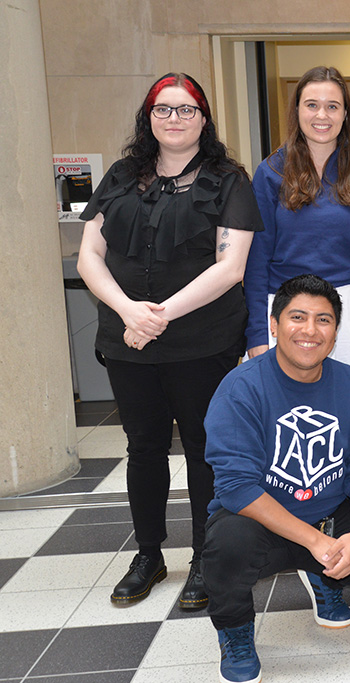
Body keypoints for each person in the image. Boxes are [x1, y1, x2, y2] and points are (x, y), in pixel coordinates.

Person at [76, 72, 262, 609]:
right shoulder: (119, 175)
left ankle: (206, 556)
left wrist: (160, 315)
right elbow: (91, 254)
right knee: (144, 448)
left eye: (185, 110)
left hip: (202, 340)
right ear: (148, 117)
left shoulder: (228, 179)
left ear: (203, 118)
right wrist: (129, 311)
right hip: (126, 338)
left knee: (206, 451)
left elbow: (231, 267)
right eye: (163, 109)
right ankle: (149, 554)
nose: (174, 119)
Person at [203, 274, 350, 683]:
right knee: (225, 550)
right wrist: (314, 541)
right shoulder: (241, 388)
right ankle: (235, 634)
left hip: (330, 512)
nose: (310, 330)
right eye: (298, 317)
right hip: (260, 520)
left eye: (323, 320)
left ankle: (325, 577)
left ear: (336, 331)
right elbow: (236, 486)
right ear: (274, 324)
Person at [245, 65, 350, 369]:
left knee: (347, 409)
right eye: (312, 105)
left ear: (346, 114)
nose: (322, 116)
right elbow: (256, 262)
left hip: (348, 314)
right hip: (284, 309)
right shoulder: (270, 172)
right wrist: (256, 333)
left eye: (332, 106)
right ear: (297, 110)